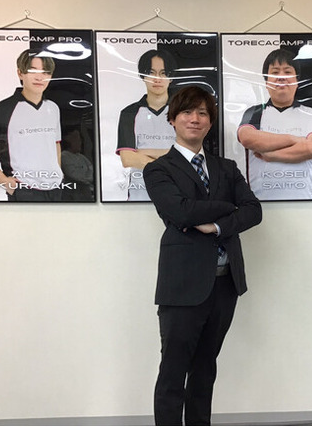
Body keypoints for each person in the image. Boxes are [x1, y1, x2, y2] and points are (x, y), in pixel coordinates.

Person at [143, 86, 262, 425]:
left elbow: (253, 211)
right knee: (173, 372)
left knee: (205, 369)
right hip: (182, 286)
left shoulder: (226, 168)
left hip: (224, 285)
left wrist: (217, 226)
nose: (194, 119)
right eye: (187, 112)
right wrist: (228, 208)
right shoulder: (159, 169)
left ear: (210, 122)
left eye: (202, 113)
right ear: (172, 119)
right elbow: (179, 212)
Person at [237, 48, 312, 200]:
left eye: (287, 72)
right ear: (266, 81)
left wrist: (272, 156)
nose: (281, 77)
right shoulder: (254, 112)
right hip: (260, 203)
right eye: (275, 72)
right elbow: (247, 138)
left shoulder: (310, 114)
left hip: (304, 203)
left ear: (297, 81)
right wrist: (295, 140)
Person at [0, 48, 63, 201]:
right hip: (24, 189)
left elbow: (55, 143)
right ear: (20, 73)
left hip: (55, 188)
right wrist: (3, 180)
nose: (39, 77)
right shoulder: (3, 109)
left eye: (45, 72)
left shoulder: (53, 108)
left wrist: (58, 172)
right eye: (32, 70)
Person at [116, 49, 177, 201]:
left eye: (163, 73)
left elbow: (188, 155)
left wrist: (141, 152)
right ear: (143, 75)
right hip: (139, 195)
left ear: (171, 77)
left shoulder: (183, 112)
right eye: (151, 73)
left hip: (177, 194)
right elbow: (127, 158)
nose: (157, 79)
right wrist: (170, 161)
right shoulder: (129, 113)